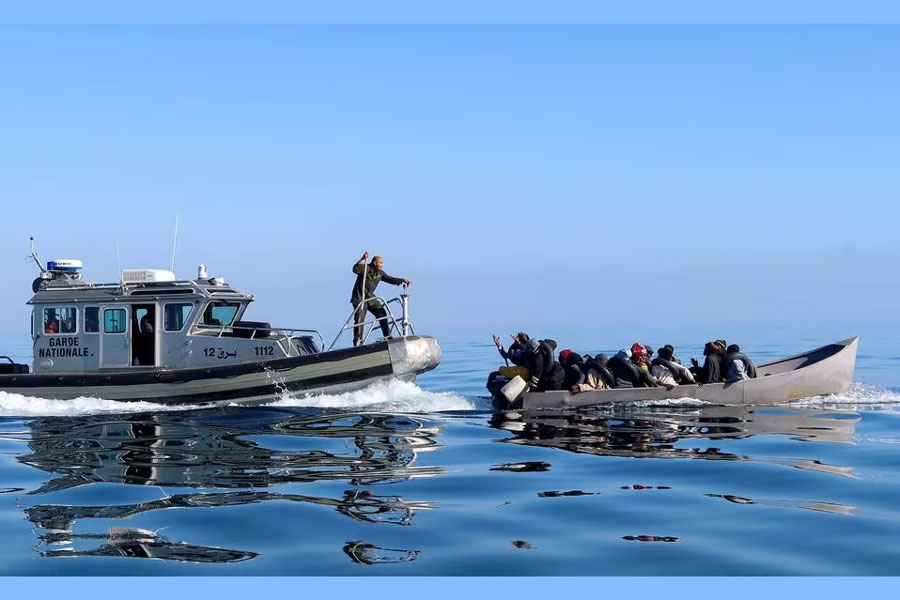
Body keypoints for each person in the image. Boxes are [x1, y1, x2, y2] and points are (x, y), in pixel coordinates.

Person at [351, 251, 411, 346]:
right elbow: (355, 269)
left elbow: (390, 279)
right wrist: (362, 258)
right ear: (375, 263)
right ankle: (358, 341)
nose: (382, 265)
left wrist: (401, 280)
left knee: (382, 313)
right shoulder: (365, 268)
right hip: (359, 297)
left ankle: (387, 336)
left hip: (370, 298)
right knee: (360, 319)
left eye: (382, 263)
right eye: (381, 263)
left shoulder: (380, 273)